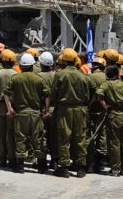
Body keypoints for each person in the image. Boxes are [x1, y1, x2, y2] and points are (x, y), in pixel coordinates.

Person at [48, 48, 90, 177]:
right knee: (80, 138)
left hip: (64, 109)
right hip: (80, 110)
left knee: (64, 138)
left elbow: (53, 93)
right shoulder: (82, 76)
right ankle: (81, 167)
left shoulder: (60, 75)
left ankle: (64, 167)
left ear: (64, 60)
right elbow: (87, 96)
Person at [4, 52, 48, 174]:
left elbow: (6, 93)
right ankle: (41, 165)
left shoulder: (15, 78)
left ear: (21, 66)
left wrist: (9, 108)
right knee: (38, 138)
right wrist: (46, 109)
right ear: (33, 66)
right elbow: (47, 95)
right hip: (35, 113)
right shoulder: (39, 79)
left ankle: (20, 166)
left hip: (21, 113)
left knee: (20, 138)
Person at [97, 64, 123, 177]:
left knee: (114, 143)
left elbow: (99, 95)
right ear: (117, 74)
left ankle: (115, 169)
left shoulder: (106, 84)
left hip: (113, 116)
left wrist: (105, 106)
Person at [0, 49, 17, 168]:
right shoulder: (16, 74)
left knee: (0, 134)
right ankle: (12, 159)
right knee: (10, 134)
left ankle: (2, 159)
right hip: (12, 107)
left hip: (0, 107)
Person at [86, 55, 109, 173]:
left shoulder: (90, 77)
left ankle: (90, 162)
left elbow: (90, 94)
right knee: (103, 134)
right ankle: (101, 161)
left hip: (92, 110)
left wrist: (89, 105)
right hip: (104, 110)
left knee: (91, 134)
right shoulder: (106, 77)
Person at [38, 51, 58, 171]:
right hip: (54, 109)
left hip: (42, 109)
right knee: (54, 136)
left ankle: (42, 162)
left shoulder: (38, 76)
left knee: (42, 136)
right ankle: (55, 161)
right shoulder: (56, 75)